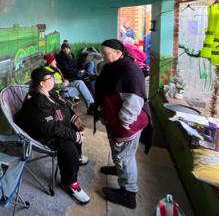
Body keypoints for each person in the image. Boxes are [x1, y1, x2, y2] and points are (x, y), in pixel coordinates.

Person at [15, 67, 90, 204]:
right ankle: (70, 182)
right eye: (49, 78)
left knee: (74, 132)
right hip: (40, 133)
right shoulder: (38, 101)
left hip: (52, 127)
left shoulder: (52, 92)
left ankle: (75, 159)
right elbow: (50, 128)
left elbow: (65, 107)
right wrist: (74, 136)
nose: (53, 79)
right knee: (67, 145)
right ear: (41, 83)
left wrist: (75, 121)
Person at [94, 39, 152, 209]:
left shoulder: (129, 70)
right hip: (116, 119)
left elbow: (134, 101)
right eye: (102, 52)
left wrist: (124, 123)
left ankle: (129, 193)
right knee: (120, 152)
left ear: (118, 53)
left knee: (125, 156)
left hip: (126, 123)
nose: (103, 56)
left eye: (106, 53)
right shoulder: (114, 66)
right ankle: (120, 169)